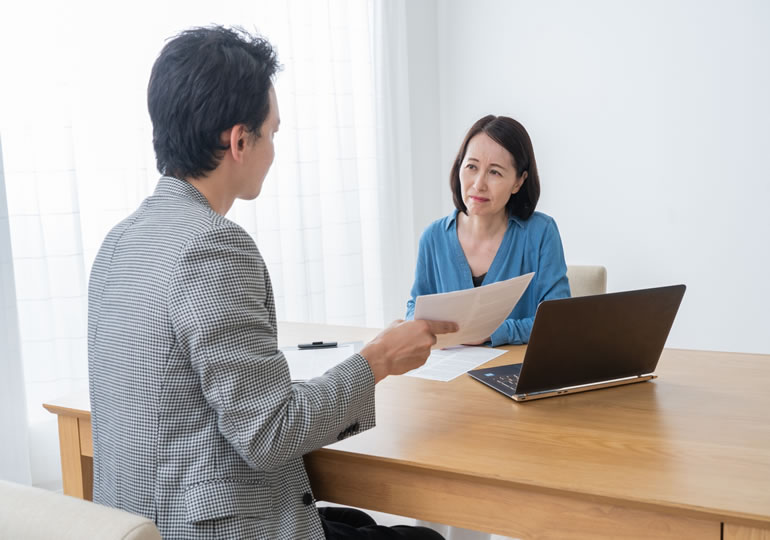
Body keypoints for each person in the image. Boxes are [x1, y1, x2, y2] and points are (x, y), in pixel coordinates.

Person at [87, 26, 456, 540]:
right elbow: (270, 433)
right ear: (239, 140)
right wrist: (377, 362)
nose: (275, 149)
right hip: (220, 529)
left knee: (356, 523)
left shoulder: (119, 243)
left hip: (150, 519)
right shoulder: (213, 247)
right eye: (273, 132)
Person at [406, 115, 570, 346]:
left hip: (515, 375)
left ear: (518, 182)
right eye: (472, 167)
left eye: (495, 172)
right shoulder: (433, 237)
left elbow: (559, 320)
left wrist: (494, 332)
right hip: (446, 374)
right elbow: (415, 308)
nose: (478, 184)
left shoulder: (541, 233)